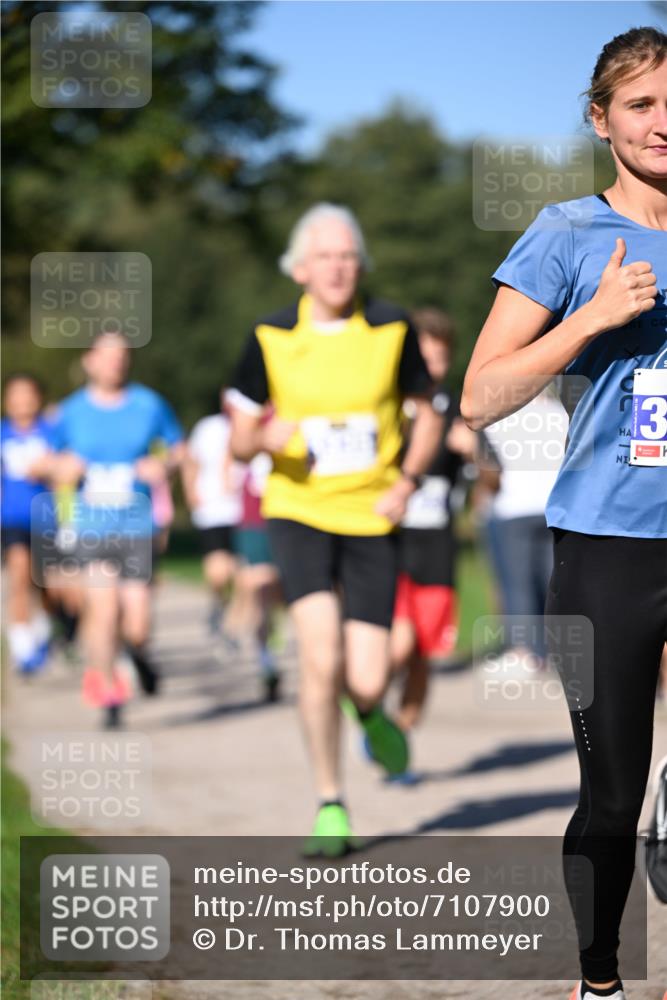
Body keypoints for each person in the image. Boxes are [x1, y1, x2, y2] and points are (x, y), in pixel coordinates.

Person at [461, 27, 666, 1000]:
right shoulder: (566, 232)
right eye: (640, 104)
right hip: (608, 546)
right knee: (610, 795)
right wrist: (589, 319)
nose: (662, 122)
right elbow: (479, 394)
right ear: (601, 119)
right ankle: (598, 980)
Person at [227, 203, 443, 855]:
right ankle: (329, 802)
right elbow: (239, 440)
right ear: (299, 268)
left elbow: (428, 413)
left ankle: (373, 715)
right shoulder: (269, 336)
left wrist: (406, 481)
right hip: (297, 512)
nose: (338, 267)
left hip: (371, 517)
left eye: (348, 255)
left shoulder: (390, 327)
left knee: (368, 679)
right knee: (319, 660)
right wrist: (264, 435)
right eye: (325, 256)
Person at [52, 330, 184, 727]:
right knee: (104, 611)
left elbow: (178, 448)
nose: (116, 362)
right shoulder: (72, 411)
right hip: (92, 524)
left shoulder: (149, 404)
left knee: (138, 623)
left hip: (136, 524)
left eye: (123, 355)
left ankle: (140, 656)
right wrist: (62, 468)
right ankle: (110, 693)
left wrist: (164, 468)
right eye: (108, 355)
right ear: (89, 360)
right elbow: (48, 460)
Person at [390, 308, 476, 738]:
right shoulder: (386, 403)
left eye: (439, 358)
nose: (430, 368)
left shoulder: (461, 409)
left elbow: (494, 477)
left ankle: (398, 736)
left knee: (423, 650)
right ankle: (366, 700)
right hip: (389, 539)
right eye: (422, 357)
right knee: (397, 642)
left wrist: (474, 451)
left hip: (437, 542)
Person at [1, 373, 57, 673]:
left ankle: (45, 630)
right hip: (12, 519)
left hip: (47, 518)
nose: (22, 402)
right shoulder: (2, 434)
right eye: (16, 396)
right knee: (19, 575)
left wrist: (50, 467)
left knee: (46, 583)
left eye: (28, 395)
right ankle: (22, 648)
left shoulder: (52, 432)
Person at [182, 390, 242, 638]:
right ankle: (219, 605)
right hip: (213, 509)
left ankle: (232, 620)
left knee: (241, 573)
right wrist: (190, 490)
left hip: (243, 510)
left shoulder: (254, 426)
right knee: (218, 572)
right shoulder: (208, 427)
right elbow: (191, 460)